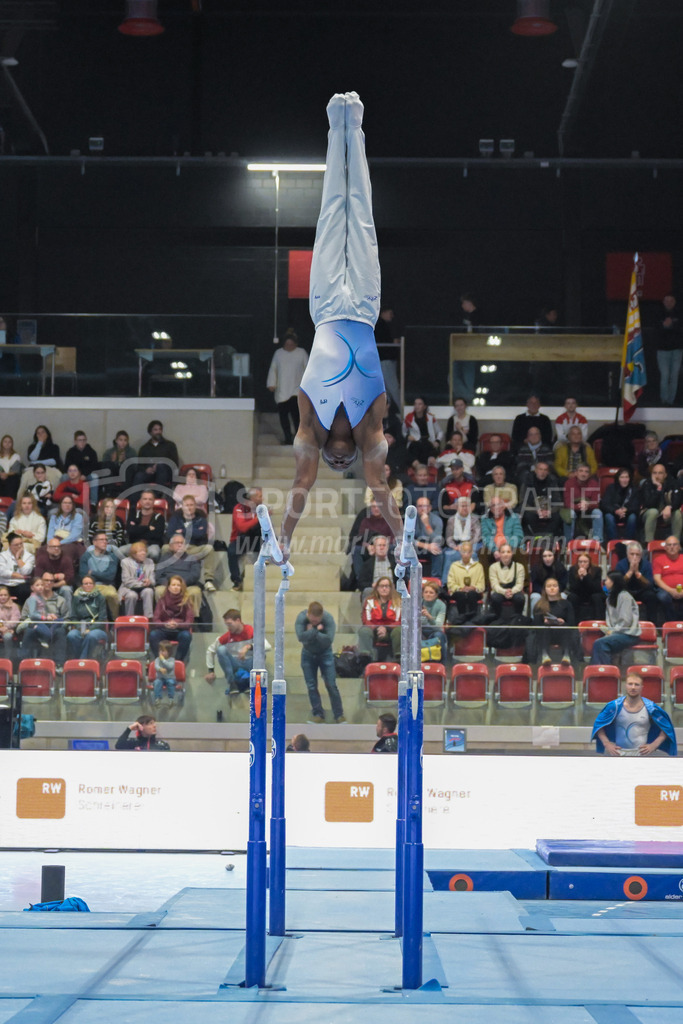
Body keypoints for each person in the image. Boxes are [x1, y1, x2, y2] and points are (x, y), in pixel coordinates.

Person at [279, 94, 404, 558]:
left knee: (332, 214)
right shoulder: (371, 433)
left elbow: (301, 482)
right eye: (341, 462)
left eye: (331, 462)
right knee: (363, 215)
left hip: (327, 310)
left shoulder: (309, 429)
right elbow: (379, 488)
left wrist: (285, 539)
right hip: (366, 309)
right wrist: (401, 536)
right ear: (350, 454)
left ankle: (336, 126)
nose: (335, 460)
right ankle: (357, 126)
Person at [592, 671, 676, 756]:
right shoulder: (614, 706)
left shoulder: (651, 708)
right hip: (618, 754)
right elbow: (598, 725)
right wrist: (607, 743)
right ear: (625, 685)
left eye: (636, 684)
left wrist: (654, 745)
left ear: (642, 687)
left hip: (642, 755)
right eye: (630, 684)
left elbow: (667, 727)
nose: (633, 687)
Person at [295, 600, 345, 724]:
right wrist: (317, 630)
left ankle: (339, 714)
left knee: (331, 684)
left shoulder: (328, 619)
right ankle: (318, 714)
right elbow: (301, 637)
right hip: (308, 654)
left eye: (317, 621)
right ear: (308, 614)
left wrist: (312, 631)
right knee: (311, 686)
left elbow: (328, 640)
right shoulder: (301, 618)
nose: (314, 622)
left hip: (325, 654)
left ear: (321, 616)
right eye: (312, 621)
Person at [164, 494, 217, 591]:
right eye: (186, 505)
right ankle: (165, 577)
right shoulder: (175, 518)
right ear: (182, 507)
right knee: (164, 548)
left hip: (193, 548)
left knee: (209, 549)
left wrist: (182, 530)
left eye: (191, 505)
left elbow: (200, 534)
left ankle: (208, 580)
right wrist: (191, 531)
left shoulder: (201, 519)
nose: (189, 507)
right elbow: (170, 534)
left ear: (195, 506)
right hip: (177, 546)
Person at [267, 328, 309, 445]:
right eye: (287, 344)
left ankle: (297, 437)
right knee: (283, 417)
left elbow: (309, 369)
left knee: (296, 417)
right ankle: (287, 437)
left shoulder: (301, 353)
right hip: (282, 390)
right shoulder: (279, 353)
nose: (289, 346)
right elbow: (273, 369)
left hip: (297, 390)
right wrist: (271, 383)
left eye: (291, 344)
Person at [590, 572, 641, 665]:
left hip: (628, 635)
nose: (605, 581)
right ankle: (596, 671)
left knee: (600, 643)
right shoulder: (609, 598)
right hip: (617, 633)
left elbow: (626, 620)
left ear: (614, 582)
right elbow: (609, 619)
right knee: (598, 643)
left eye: (608, 579)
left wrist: (613, 631)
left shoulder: (624, 596)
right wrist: (610, 631)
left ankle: (604, 673)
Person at [19, 573, 68, 665]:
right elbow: (24, 617)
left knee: (61, 631)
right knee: (30, 630)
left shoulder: (61, 600)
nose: (48, 583)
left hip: (54, 627)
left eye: (51, 581)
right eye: (46, 580)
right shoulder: (31, 599)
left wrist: (56, 619)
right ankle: (24, 663)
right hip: (36, 625)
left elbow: (66, 619)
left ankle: (59, 665)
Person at [204, 609, 256, 695]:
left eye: (229, 624)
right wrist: (211, 671)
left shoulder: (251, 631)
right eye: (226, 625)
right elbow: (210, 650)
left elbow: (266, 646)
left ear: (238, 621)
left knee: (262, 653)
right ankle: (232, 683)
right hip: (235, 664)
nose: (228, 627)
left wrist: (248, 647)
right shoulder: (226, 637)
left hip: (250, 663)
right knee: (221, 650)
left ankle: (252, 683)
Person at [154, 534, 203, 616]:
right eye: (177, 543)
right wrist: (170, 585)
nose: (180, 545)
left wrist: (180, 584)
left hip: (187, 585)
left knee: (195, 592)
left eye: (182, 543)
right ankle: (163, 616)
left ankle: (192, 619)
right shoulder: (164, 558)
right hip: (168, 585)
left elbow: (195, 574)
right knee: (159, 591)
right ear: (171, 546)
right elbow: (158, 575)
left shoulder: (192, 558)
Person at [532, 577, 575, 665]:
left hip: (561, 633)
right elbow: (536, 625)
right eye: (549, 586)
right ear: (545, 589)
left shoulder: (566, 603)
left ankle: (566, 656)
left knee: (566, 628)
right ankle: (544, 655)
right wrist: (544, 622)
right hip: (546, 634)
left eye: (554, 586)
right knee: (545, 628)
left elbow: (572, 622)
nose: (552, 588)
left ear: (558, 588)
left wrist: (563, 622)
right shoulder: (539, 605)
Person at [150, 575, 194, 661]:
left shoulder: (187, 601)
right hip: (164, 629)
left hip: (180, 630)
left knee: (186, 636)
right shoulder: (162, 600)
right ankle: (159, 660)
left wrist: (177, 625)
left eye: (178, 585)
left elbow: (189, 622)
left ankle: (178, 661)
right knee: (153, 635)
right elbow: (155, 620)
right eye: (173, 585)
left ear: (182, 587)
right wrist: (165, 624)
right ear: (169, 587)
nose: (176, 587)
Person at [359, 576, 402, 661]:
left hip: (391, 631)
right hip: (374, 631)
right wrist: (377, 628)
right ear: (377, 588)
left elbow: (399, 621)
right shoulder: (369, 601)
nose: (384, 589)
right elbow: (366, 620)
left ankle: (399, 658)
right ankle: (365, 658)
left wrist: (386, 628)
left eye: (387, 586)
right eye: (382, 586)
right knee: (364, 631)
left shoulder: (398, 601)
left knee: (399, 630)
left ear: (391, 588)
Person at [66, 575, 108, 660]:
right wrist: (79, 628)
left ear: (94, 585)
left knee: (90, 636)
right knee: (71, 635)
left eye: (90, 583)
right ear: (81, 586)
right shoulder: (76, 599)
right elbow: (73, 617)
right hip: (81, 627)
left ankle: (83, 660)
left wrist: (90, 629)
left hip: (97, 628)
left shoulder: (100, 598)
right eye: (85, 584)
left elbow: (102, 618)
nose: (88, 585)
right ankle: (77, 658)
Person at [614, 541, 658, 623]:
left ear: (641, 555)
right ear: (627, 554)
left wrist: (638, 574)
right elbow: (617, 584)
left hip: (641, 591)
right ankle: (620, 624)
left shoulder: (647, 564)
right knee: (619, 595)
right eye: (632, 554)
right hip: (626, 591)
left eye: (637, 555)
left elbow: (650, 585)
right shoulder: (621, 564)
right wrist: (630, 572)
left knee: (651, 596)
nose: (634, 557)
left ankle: (652, 626)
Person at [80, 531, 120, 620]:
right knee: (76, 594)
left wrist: (92, 573)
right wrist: (102, 575)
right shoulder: (86, 556)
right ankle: (83, 622)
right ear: (94, 542)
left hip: (107, 586)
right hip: (90, 585)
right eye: (102, 540)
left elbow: (110, 577)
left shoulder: (113, 557)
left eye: (106, 540)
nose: (105, 542)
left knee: (112, 595)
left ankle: (115, 621)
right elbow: (83, 575)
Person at [638, 463, 682, 543]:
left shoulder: (673, 483)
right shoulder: (647, 484)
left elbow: (678, 500)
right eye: (654, 473)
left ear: (665, 475)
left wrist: (670, 507)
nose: (657, 476)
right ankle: (649, 542)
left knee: (677, 513)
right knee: (653, 512)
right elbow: (648, 503)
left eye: (660, 473)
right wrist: (658, 489)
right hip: (649, 514)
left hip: (666, 514)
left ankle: (676, 543)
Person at [228, 486, 262, 591]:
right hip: (239, 539)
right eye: (259, 496)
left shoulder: (261, 508)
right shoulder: (239, 507)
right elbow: (242, 527)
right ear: (252, 497)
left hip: (255, 539)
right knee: (232, 552)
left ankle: (265, 555)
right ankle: (237, 581)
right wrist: (258, 518)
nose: (262, 499)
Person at [442, 496, 482, 580]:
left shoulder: (475, 519)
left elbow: (477, 536)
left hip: (472, 544)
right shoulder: (451, 520)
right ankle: (445, 583)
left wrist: (467, 546)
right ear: (457, 507)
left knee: (474, 554)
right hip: (456, 545)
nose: (465, 508)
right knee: (449, 555)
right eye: (462, 506)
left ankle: (475, 581)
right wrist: (454, 547)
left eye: (467, 506)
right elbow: (448, 537)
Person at [519, 459, 562, 537]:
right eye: (540, 469)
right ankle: (535, 536)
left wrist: (550, 511)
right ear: (535, 470)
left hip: (548, 510)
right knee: (527, 515)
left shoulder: (552, 481)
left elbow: (558, 501)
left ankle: (549, 536)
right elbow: (523, 502)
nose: (543, 472)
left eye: (545, 470)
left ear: (548, 472)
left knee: (557, 516)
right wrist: (536, 511)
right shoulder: (527, 481)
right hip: (533, 510)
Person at [134, 420, 180, 492]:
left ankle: (156, 496)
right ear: (150, 432)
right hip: (150, 474)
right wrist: (146, 469)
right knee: (138, 476)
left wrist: (160, 464)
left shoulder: (170, 445)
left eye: (160, 429)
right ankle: (135, 501)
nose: (158, 432)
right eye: (155, 430)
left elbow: (175, 463)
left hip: (166, 473)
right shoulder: (144, 448)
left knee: (161, 466)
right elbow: (139, 466)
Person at [562, 463, 603, 543]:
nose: (583, 474)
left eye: (586, 472)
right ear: (576, 473)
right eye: (581, 471)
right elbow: (567, 503)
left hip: (588, 509)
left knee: (598, 512)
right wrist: (580, 506)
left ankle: (598, 542)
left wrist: (588, 505)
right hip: (573, 508)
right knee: (570, 514)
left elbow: (596, 503)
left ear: (589, 474)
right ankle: (568, 543)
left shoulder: (594, 484)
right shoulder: (569, 483)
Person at [654, 293, 683, 407]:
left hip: (677, 350)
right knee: (665, 375)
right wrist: (665, 326)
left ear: (674, 302)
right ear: (663, 302)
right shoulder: (658, 314)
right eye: (667, 301)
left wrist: (670, 326)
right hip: (662, 350)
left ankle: (671, 401)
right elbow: (656, 329)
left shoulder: (679, 313)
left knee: (674, 376)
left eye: (671, 301)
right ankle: (664, 400)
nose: (669, 303)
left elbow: (679, 328)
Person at [446, 540, 485, 621]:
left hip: (474, 592)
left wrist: (474, 588)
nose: (466, 554)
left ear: (472, 552)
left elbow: (481, 585)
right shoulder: (454, 566)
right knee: (461, 595)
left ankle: (473, 619)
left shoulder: (478, 566)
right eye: (464, 551)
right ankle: (461, 618)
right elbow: (450, 583)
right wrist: (460, 588)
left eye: (468, 552)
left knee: (472, 594)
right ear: (460, 552)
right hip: (459, 592)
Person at [123, 489, 165, 560]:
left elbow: (157, 535)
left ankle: (150, 570)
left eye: (150, 499)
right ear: (141, 501)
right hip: (135, 544)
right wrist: (147, 528)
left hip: (151, 545)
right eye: (145, 499)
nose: (147, 501)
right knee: (120, 551)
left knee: (154, 553)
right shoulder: (133, 515)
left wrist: (138, 529)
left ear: (153, 502)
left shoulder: (159, 517)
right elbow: (130, 531)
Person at [34, 537, 75, 610]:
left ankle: (68, 617)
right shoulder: (42, 559)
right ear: (48, 548)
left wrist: (53, 584)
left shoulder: (66, 559)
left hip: (61, 586)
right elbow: (38, 577)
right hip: (45, 586)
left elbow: (69, 578)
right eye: (54, 547)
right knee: (38, 588)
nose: (56, 549)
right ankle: (43, 615)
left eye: (58, 546)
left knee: (67, 590)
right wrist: (55, 576)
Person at [374, 307, 401, 411]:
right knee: (393, 387)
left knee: (386, 388)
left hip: (381, 360)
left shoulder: (379, 324)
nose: (392, 316)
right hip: (385, 360)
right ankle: (401, 409)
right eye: (390, 313)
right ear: (384, 312)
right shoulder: (381, 325)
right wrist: (393, 344)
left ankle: (388, 411)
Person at [600, 467, 639, 541]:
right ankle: (613, 541)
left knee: (633, 517)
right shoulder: (611, 488)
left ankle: (629, 541)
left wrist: (626, 510)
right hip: (614, 513)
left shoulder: (634, 489)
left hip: (627, 514)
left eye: (626, 477)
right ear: (618, 478)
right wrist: (616, 510)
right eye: (622, 477)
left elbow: (636, 505)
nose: (624, 480)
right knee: (608, 517)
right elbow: (604, 504)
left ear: (630, 478)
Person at [403, 396, 443, 467]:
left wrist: (437, 441)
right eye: (415, 404)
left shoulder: (430, 417)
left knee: (430, 451)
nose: (417, 406)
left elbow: (440, 432)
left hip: (428, 443)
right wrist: (407, 436)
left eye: (420, 404)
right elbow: (403, 432)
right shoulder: (409, 418)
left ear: (424, 406)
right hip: (415, 443)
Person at [118, 541, 156, 617]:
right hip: (129, 588)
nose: (143, 553)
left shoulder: (150, 561)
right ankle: (129, 619)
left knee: (148, 591)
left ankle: (148, 619)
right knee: (132, 595)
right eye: (140, 551)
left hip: (145, 588)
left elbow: (153, 580)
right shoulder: (125, 562)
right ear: (133, 554)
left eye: (144, 551)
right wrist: (142, 584)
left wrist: (150, 581)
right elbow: (126, 581)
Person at [488, 543, 525, 616]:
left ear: (512, 553)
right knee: (495, 598)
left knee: (520, 598)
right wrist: (504, 592)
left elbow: (519, 584)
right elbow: (494, 585)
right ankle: (496, 620)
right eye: (503, 552)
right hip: (499, 591)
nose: (506, 554)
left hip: (514, 591)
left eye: (508, 552)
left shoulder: (519, 567)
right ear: (499, 554)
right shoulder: (493, 567)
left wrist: (511, 591)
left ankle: (517, 619)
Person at [47, 494, 85, 564]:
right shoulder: (54, 516)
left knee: (64, 551)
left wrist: (58, 544)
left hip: (72, 542)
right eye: (65, 503)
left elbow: (74, 536)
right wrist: (50, 544)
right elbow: (50, 533)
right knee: (42, 550)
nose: (67, 505)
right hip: (55, 541)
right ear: (60, 504)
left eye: (70, 503)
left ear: (73, 505)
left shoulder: (78, 516)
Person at [566, 552, 604, 621]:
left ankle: (599, 622)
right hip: (578, 594)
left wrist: (586, 577)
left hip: (591, 594)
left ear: (589, 562)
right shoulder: (572, 570)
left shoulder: (597, 570)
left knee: (597, 597)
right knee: (572, 597)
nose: (582, 564)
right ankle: (573, 622)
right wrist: (580, 578)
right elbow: (572, 588)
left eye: (585, 562)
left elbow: (596, 588)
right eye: (580, 562)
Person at [653, 535, 683, 623]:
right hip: (665, 589)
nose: (672, 547)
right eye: (669, 545)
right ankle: (671, 621)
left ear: (679, 547)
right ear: (665, 547)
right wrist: (670, 590)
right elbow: (657, 579)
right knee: (663, 597)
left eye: (674, 545)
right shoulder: (658, 560)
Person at [413, 496, 444, 578]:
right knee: (406, 551)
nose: (422, 509)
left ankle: (435, 580)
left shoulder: (437, 520)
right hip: (416, 548)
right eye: (420, 506)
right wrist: (426, 546)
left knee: (438, 552)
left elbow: (438, 541)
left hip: (431, 548)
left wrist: (427, 525)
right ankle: (410, 579)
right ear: (416, 508)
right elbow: (407, 540)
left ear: (430, 508)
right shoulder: (411, 520)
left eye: (425, 506)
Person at [99, 429, 137, 497]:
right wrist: (113, 462)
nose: (123, 442)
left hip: (126, 474)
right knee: (108, 465)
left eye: (125, 440)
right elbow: (104, 467)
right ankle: (109, 492)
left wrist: (125, 461)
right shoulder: (109, 452)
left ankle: (125, 493)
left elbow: (135, 468)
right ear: (116, 440)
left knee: (128, 467)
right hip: (113, 473)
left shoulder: (132, 452)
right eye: (120, 440)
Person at [530, 548, 567, 614]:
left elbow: (563, 584)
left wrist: (553, 592)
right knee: (534, 596)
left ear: (554, 556)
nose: (547, 559)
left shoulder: (560, 567)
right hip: (541, 593)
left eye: (550, 555)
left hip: (556, 592)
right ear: (541, 557)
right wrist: (546, 593)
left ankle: (562, 617)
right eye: (545, 556)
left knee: (563, 595)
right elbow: (535, 585)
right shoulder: (536, 568)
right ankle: (534, 621)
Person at [0, 533, 35, 604]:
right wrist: (16, 575)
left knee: (26, 590)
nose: (19, 546)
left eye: (21, 544)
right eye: (16, 545)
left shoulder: (29, 556)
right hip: (4, 583)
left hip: (20, 584)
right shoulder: (2, 556)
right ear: (10, 546)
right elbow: (1, 571)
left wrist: (18, 558)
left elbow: (26, 572)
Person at [420, 580, 446, 657]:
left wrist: (429, 617)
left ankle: (442, 664)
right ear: (422, 594)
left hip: (434, 631)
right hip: (420, 630)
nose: (428, 594)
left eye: (431, 593)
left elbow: (438, 626)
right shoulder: (417, 603)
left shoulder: (441, 605)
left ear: (436, 595)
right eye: (426, 592)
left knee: (439, 635)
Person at [153, 640, 181, 707]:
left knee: (170, 682)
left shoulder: (172, 659)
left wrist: (163, 660)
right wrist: (160, 669)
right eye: (160, 651)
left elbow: (170, 666)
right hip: (160, 678)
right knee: (157, 683)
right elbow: (156, 666)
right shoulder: (157, 659)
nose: (161, 653)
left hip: (170, 678)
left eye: (163, 651)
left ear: (169, 652)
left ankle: (171, 698)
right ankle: (158, 698)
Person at [0, 585, 21, 667]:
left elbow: (14, 620)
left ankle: (7, 659)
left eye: (5, 595)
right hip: (1, 629)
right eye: (1, 595)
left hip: (9, 631)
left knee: (8, 636)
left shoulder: (14, 606)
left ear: (8, 596)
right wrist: (1, 628)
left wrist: (6, 627)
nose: (3, 597)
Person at [0, 434, 23, 499]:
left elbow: (15, 470)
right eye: (5, 442)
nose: (7, 444)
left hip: (11, 477)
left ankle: (9, 501)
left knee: (14, 478)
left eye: (9, 442)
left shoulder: (16, 456)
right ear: (2, 443)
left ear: (12, 444)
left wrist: (6, 474)